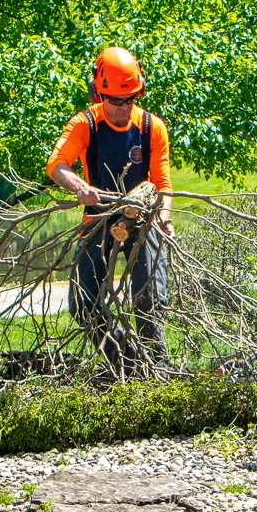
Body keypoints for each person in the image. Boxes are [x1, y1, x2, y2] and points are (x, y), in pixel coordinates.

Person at [46, 46, 174, 368]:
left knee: (148, 301)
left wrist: (164, 218)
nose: (121, 107)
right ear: (99, 94)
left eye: (129, 99)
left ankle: (157, 371)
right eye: (114, 100)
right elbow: (57, 164)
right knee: (83, 303)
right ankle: (124, 359)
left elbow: (163, 184)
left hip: (144, 219)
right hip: (99, 218)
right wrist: (79, 186)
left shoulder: (151, 127)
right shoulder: (85, 124)